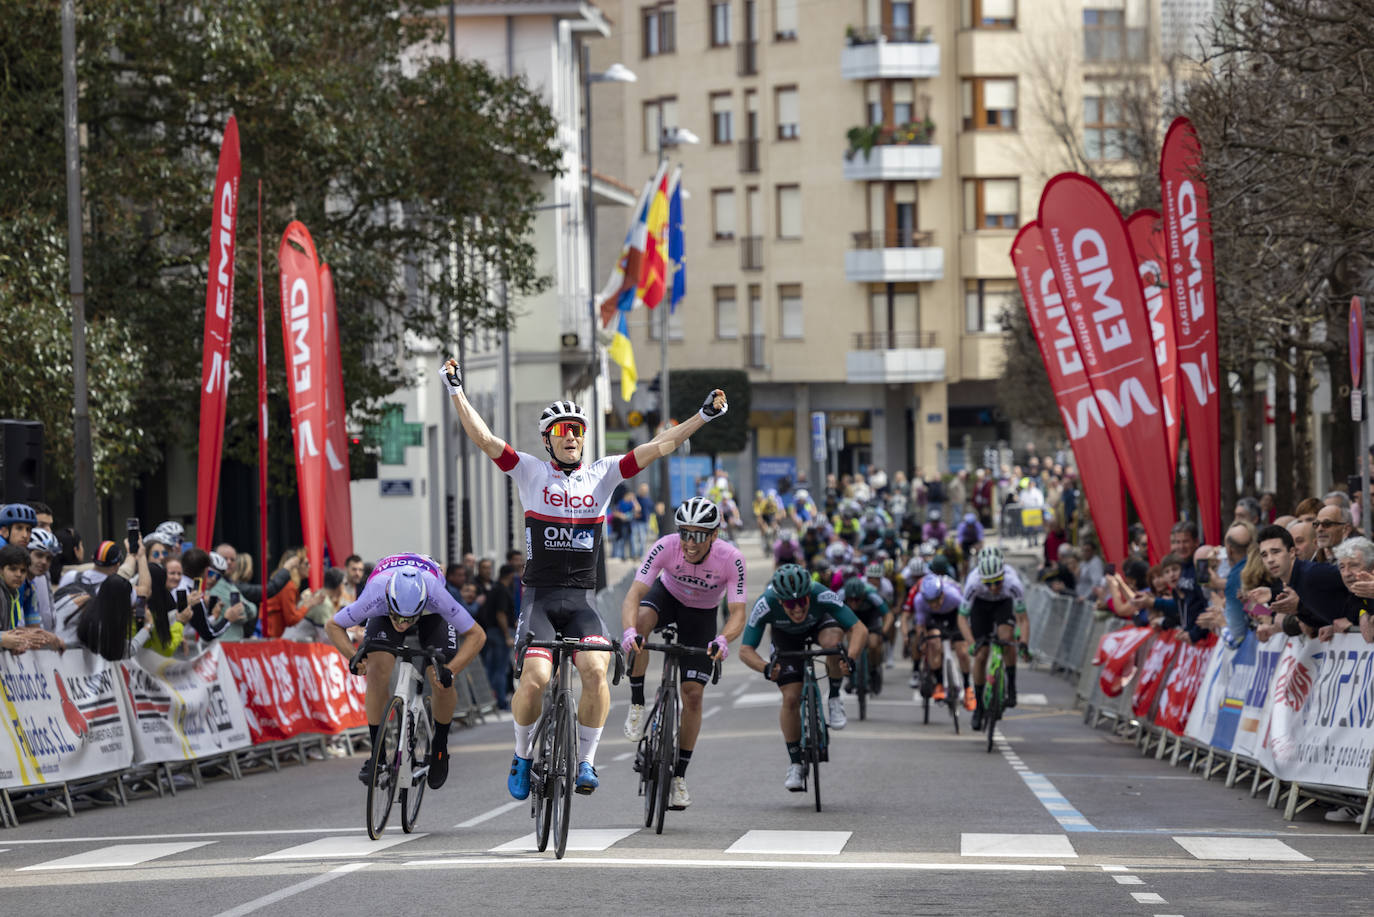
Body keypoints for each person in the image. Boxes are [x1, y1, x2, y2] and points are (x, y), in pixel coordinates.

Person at [439, 356, 728, 798]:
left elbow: (659, 445)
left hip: (581, 600)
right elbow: (483, 437)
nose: (571, 436)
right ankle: (521, 756)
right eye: (561, 431)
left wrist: (702, 417)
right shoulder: (529, 471)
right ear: (547, 440)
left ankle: (587, 761)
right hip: (538, 597)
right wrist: (456, 389)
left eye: (577, 430)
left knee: (596, 670)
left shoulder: (603, 473)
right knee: (534, 678)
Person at [620, 497, 746, 810]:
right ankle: (637, 704)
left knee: (692, 696)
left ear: (714, 535)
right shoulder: (666, 546)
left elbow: (738, 612)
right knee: (641, 625)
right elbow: (633, 595)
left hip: (702, 614)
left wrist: (723, 639)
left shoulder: (731, 558)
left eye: (699, 535)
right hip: (668, 597)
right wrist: (629, 632)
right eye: (685, 533)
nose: (690, 542)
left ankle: (678, 777)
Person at [324, 552, 485, 791]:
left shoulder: (437, 595)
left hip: (432, 615)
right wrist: (353, 656)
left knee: (440, 678)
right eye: (397, 618)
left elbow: (477, 635)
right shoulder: (375, 594)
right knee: (377, 670)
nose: (402, 624)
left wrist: (451, 671)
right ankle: (377, 752)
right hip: (385, 605)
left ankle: (440, 744)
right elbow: (333, 625)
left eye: (409, 619)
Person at [738, 564, 867, 791]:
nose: (797, 609)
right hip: (785, 639)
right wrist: (765, 668)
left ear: (809, 596)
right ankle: (795, 762)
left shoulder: (821, 593)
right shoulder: (765, 603)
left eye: (801, 602)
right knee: (790, 698)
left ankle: (835, 697)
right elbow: (745, 650)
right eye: (789, 604)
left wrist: (851, 658)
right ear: (779, 602)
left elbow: (859, 628)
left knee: (833, 646)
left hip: (820, 626)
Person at [960, 552, 1019, 730]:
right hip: (981, 606)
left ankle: (1011, 686)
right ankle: (979, 707)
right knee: (981, 655)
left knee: (1006, 638)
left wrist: (1022, 641)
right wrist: (971, 643)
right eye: (989, 583)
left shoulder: (1012, 582)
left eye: (997, 582)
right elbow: (962, 618)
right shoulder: (973, 582)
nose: (993, 587)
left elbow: (1023, 618)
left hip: (1003, 604)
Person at [909, 572, 974, 709]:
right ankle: (939, 683)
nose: (935, 604)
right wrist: (923, 641)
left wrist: (968, 637)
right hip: (933, 619)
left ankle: (968, 687)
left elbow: (965, 618)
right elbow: (920, 626)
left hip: (954, 616)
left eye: (938, 599)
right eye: (931, 601)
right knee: (933, 642)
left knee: (962, 651)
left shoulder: (954, 596)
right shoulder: (920, 600)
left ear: (942, 594)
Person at [841, 576, 890, 694]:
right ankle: (851, 675)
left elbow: (888, 615)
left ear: (863, 597)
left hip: (870, 620)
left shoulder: (873, 596)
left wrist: (883, 631)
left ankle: (873, 670)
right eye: (850, 600)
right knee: (850, 641)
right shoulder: (840, 596)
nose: (853, 602)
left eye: (857, 600)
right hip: (852, 619)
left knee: (873, 644)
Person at [481, 564, 518, 710]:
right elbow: (501, 614)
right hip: (499, 633)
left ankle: (490, 700)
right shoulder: (502, 590)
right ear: (510, 575)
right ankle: (501, 701)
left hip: (492, 631)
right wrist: (507, 635)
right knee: (501, 669)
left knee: (492, 667)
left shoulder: (495, 588)